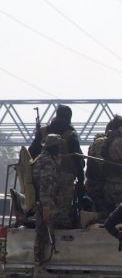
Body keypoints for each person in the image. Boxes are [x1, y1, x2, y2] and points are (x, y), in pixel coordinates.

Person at [28, 104, 85, 212]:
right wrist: (81, 181)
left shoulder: (43, 132)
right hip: (65, 178)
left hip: (42, 177)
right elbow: (78, 159)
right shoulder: (71, 134)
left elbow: (31, 153)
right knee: (62, 210)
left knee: (43, 206)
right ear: (69, 117)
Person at [31, 134, 70, 262]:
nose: (60, 148)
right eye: (58, 145)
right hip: (45, 202)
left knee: (42, 232)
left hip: (42, 201)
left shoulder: (42, 158)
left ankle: (40, 263)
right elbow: (46, 185)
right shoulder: (47, 162)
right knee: (43, 233)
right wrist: (47, 206)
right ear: (53, 146)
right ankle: (40, 264)